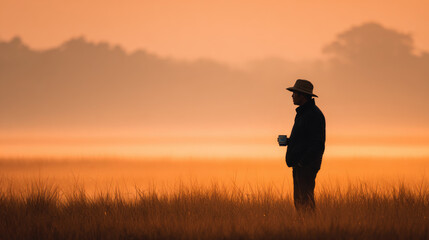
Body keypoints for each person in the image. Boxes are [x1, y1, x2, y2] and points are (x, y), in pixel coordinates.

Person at [280, 79, 326, 212]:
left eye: (294, 93)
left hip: (306, 165)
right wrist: (289, 142)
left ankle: (310, 228)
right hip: (301, 164)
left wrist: (303, 162)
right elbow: (305, 139)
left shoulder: (313, 115)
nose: (292, 96)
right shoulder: (305, 113)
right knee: (300, 201)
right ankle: (305, 228)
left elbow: (317, 144)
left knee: (305, 200)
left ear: (303, 95)